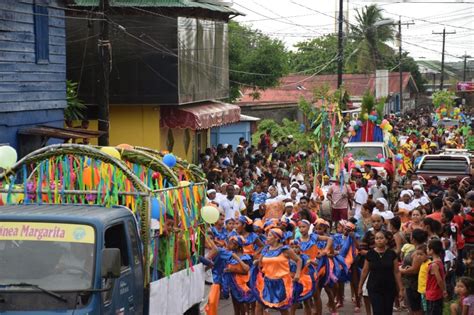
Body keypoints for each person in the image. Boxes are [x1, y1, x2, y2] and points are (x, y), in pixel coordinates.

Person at [251, 228, 302, 315]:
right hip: (267, 281)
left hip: (281, 283)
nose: (267, 237)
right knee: (259, 304)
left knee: (282, 308)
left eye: (269, 235)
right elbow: (260, 262)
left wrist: (297, 274)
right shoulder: (266, 249)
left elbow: (299, 260)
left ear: (277, 238)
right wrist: (256, 262)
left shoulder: (285, 250)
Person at [358, 230, 403, 315]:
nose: (379, 240)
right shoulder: (370, 254)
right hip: (374, 287)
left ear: (386, 240)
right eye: (377, 238)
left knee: (388, 311)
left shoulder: (392, 254)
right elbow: (365, 271)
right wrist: (360, 286)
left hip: (389, 287)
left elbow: (396, 272)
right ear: (374, 240)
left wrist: (401, 289)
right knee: (377, 311)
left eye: (381, 238)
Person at [426, 239, 447, 315]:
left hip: (433, 294)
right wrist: (444, 290)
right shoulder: (440, 261)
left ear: (432, 250)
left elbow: (439, 280)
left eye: (428, 249)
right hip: (437, 294)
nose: (427, 250)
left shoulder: (434, 265)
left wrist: (444, 291)